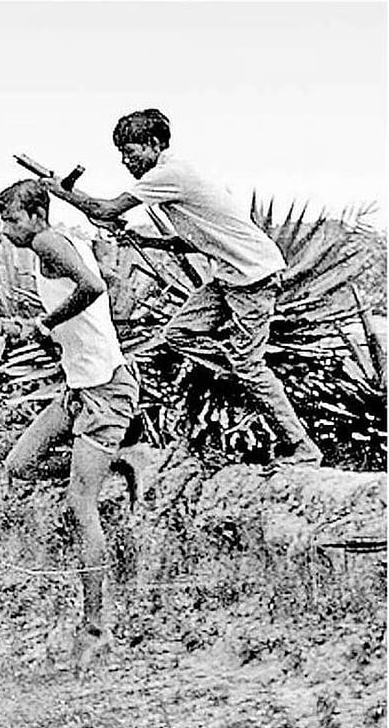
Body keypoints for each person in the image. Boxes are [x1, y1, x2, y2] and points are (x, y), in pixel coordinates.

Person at [41, 108, 322, 468]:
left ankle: (301, 447)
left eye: (131, 152)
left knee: (249, 366)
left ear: (154, 144)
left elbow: (105, 208)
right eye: (122, 155)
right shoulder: (176, 175)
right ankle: (238, 363)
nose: (127, 162)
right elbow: (193, 240)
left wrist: (63, 193)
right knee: (178, 334)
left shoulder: (169, 173)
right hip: (229, 277)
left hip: (253, 278)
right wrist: (143, 239)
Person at [0, 179, 140, 671]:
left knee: (81, 505)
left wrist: (47, 322)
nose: (7, 228)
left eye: (12, 218)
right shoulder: (50, 249)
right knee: (20, 464)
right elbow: (88, 310)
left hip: (105, 391)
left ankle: (96, 628)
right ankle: (106, 465)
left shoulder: (49, 242)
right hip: (78, 390)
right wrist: (36, 331)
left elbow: (95, 288)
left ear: (36, 215)